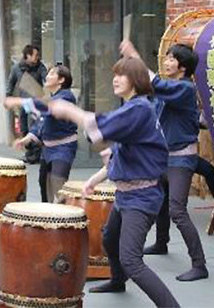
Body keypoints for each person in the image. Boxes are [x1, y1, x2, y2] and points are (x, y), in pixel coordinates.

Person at [49, 57, 180, 307]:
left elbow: (100, 126)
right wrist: (95, 179)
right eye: (115, 74)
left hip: (142, 197)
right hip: (125, 195)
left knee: (132, 259)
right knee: (110, 237)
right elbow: (117, 155)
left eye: (122, 75)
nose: (115, 79)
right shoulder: (135, 109)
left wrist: (70, 112)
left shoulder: (138, 109)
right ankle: (118, 280)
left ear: (137, 80)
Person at [120, 40, 209, 282]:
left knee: (177, 210)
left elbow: (154, 84)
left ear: (183, 67)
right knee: (159, 202)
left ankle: (199, 265)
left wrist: (136, 57)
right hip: (162, 158)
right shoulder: (170, 87)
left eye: (171, 59)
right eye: (166, 58)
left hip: (181, 159)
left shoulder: (185, 89)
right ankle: (161, 243)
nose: (166, 62)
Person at [4, 65, 77, 202]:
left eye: (51, 74)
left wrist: (18, 101)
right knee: (43, 183)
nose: (47, 76)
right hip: (48, 149)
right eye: (48, 73)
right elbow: (41, 122)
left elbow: (48, 107)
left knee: (58, 185)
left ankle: (66, 218)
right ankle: (47, 217)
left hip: (63, 149)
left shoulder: (66, 97)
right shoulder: (52, 97)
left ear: (61, 80)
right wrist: (26, 139)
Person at [6, 45, 48, 164]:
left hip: (36, 104)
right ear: (27, 56)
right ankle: (29, 153)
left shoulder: (40, 67)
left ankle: (35, 155)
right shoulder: (17, 68)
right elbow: (11, 83)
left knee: (34, 128)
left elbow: (46, 79)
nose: (38, 58)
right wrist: (8, 97)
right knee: (24, 128)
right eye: (35, 55)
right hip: (23, 103)